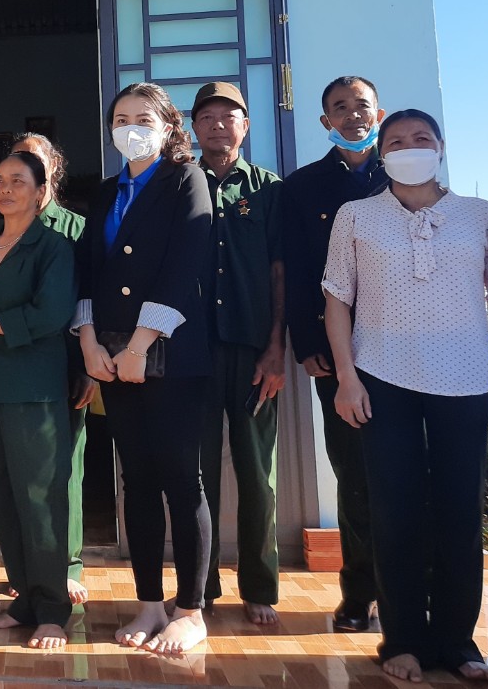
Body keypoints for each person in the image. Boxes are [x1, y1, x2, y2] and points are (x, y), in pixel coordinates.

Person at [323, 108, 488, 683]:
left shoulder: (481, 215)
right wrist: (346, 377)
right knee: (394, 510)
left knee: (460, 510)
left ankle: (459, 643)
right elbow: (337, 300)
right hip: (381, 377)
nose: (409, 147)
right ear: (381, 152)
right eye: (396, 141)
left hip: (467, 378)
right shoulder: (356, 216)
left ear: (440, 148)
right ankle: (403, 640)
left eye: (421, 138)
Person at [76, 82, 213, 654]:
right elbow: (87, 270)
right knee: (136, 480)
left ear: (167, 126)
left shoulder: (186, 179)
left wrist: (139, 345)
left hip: (171, 356)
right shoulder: (106, 191)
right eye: (120, 119)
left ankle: (191, 610)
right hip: (111, 358)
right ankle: (150, 603)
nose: (130, 128)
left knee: (182, 480)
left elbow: (186, 265)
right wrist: (88, 341)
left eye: (143, 118)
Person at [0, 151, 77, 649]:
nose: (5, 189)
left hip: (33, 390)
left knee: (40, 500)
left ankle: (53, 610)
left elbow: (50, 314)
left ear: (41, 191)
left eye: (18, 181)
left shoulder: (54, 246)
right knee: (4, 498)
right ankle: (25, 601)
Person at [281, 75, 388, 632]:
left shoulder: (403, 176)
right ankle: (359, 593)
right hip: (335, 351)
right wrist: (306, 342)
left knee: (405, 472)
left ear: (379, 112)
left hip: (405, 349)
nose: (353, 115)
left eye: (361, 106)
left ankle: (407, 594)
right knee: (354, 472)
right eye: (340, 108)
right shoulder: (303, 186)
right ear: (325, 121)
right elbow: (298, 272)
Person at [189, 82, 286, 626]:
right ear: (193, 127)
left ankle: (259, 585)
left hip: (253, 352)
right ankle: (199, 586)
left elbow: (280, 269)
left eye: (230, 116)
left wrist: (276, 347)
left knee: (257, 474)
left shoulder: (268, 189)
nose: (218, 125)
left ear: (245, 126)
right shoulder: (181, 184)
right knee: (197, 472)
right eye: (207, 117)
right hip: (195, 352)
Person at [10, 132, 91, 607]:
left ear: (53, 170)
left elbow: (88, 299)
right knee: (16, 475)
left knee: (65, 469)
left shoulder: (76, 228)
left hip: (66, 365)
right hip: (11, 367)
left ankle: (67, 565)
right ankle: (28, 568)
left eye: (36, 161)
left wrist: (87, 368)